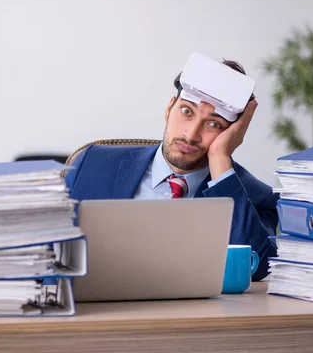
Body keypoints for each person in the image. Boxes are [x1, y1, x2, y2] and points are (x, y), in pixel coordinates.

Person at [65, 58, 278, 281]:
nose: (191, 134)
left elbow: (258, 268)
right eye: (187, 111)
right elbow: (49, 252)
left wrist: (220, 158)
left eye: (214, 124)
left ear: (233, 135)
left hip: (197, 315)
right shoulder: (92, 165)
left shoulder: (254, 198)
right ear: (169, 108)